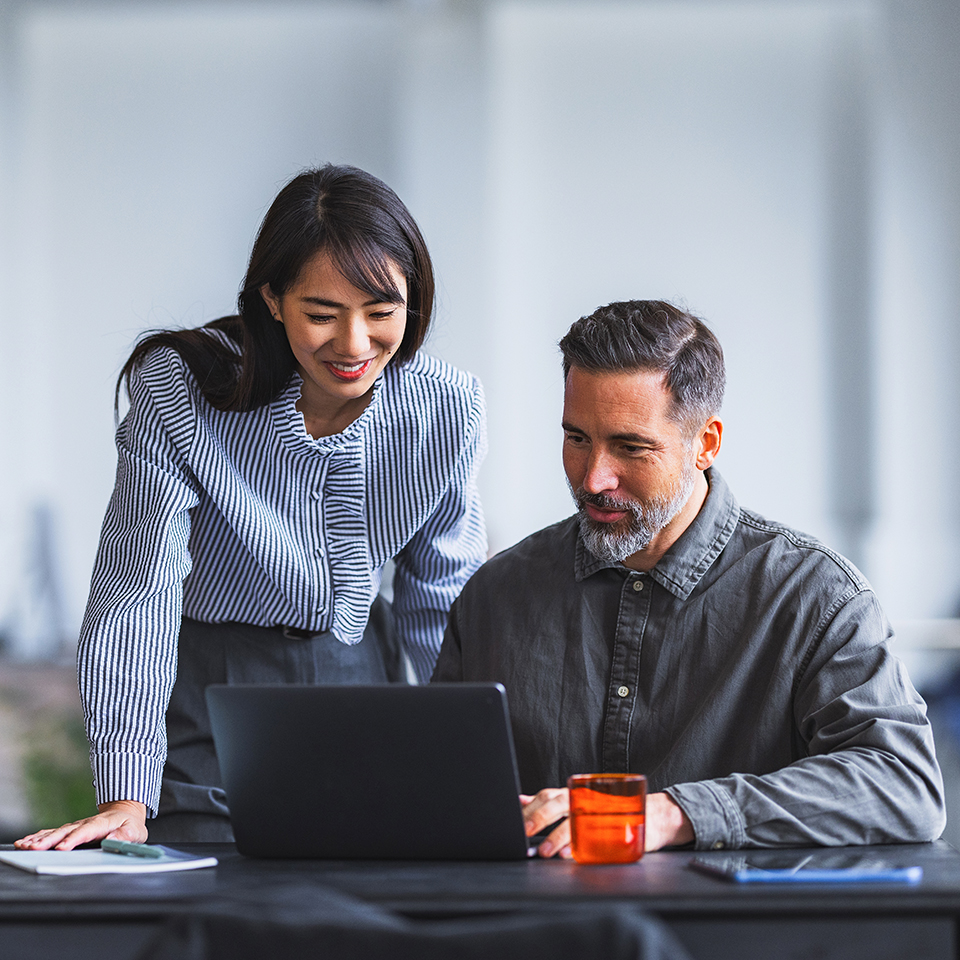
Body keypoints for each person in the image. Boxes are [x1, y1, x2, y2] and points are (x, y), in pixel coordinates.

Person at [18, 164, 487, 849]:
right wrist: (126, 795)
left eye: (382, 312)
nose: (354, 345)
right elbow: (137, 591)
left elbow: (442, 597)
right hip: (212, 693)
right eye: (321, 314)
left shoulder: (447, 405)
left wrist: (474, 772)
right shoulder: (180, 390)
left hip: (363, 686)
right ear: (271, 299)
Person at [433, 300, 945, 857]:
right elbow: (436, 789)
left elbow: (903, 784)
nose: (595, 476)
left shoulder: (816, 598)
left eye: (631, 447)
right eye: (577, 438)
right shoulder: (495, 594)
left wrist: (673, 814)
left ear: (705, 444)